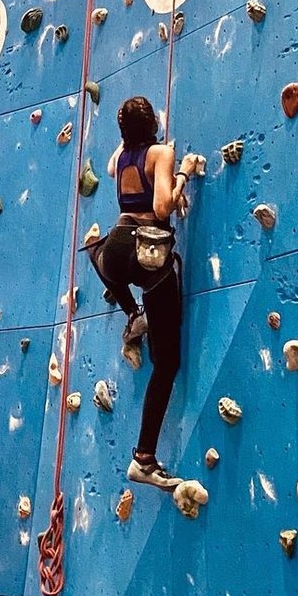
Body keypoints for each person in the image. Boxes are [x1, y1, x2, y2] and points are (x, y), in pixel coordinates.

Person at [84, 96, 199, 491]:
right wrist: (182, 173)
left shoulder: (120, 157)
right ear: (153, 124)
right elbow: (163, 206)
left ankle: (134, 315)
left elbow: (114, 163)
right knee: (166, 364)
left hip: (114, 248)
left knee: (105, 261)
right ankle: (144, 459)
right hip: (146, 255)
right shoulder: (160, 153)